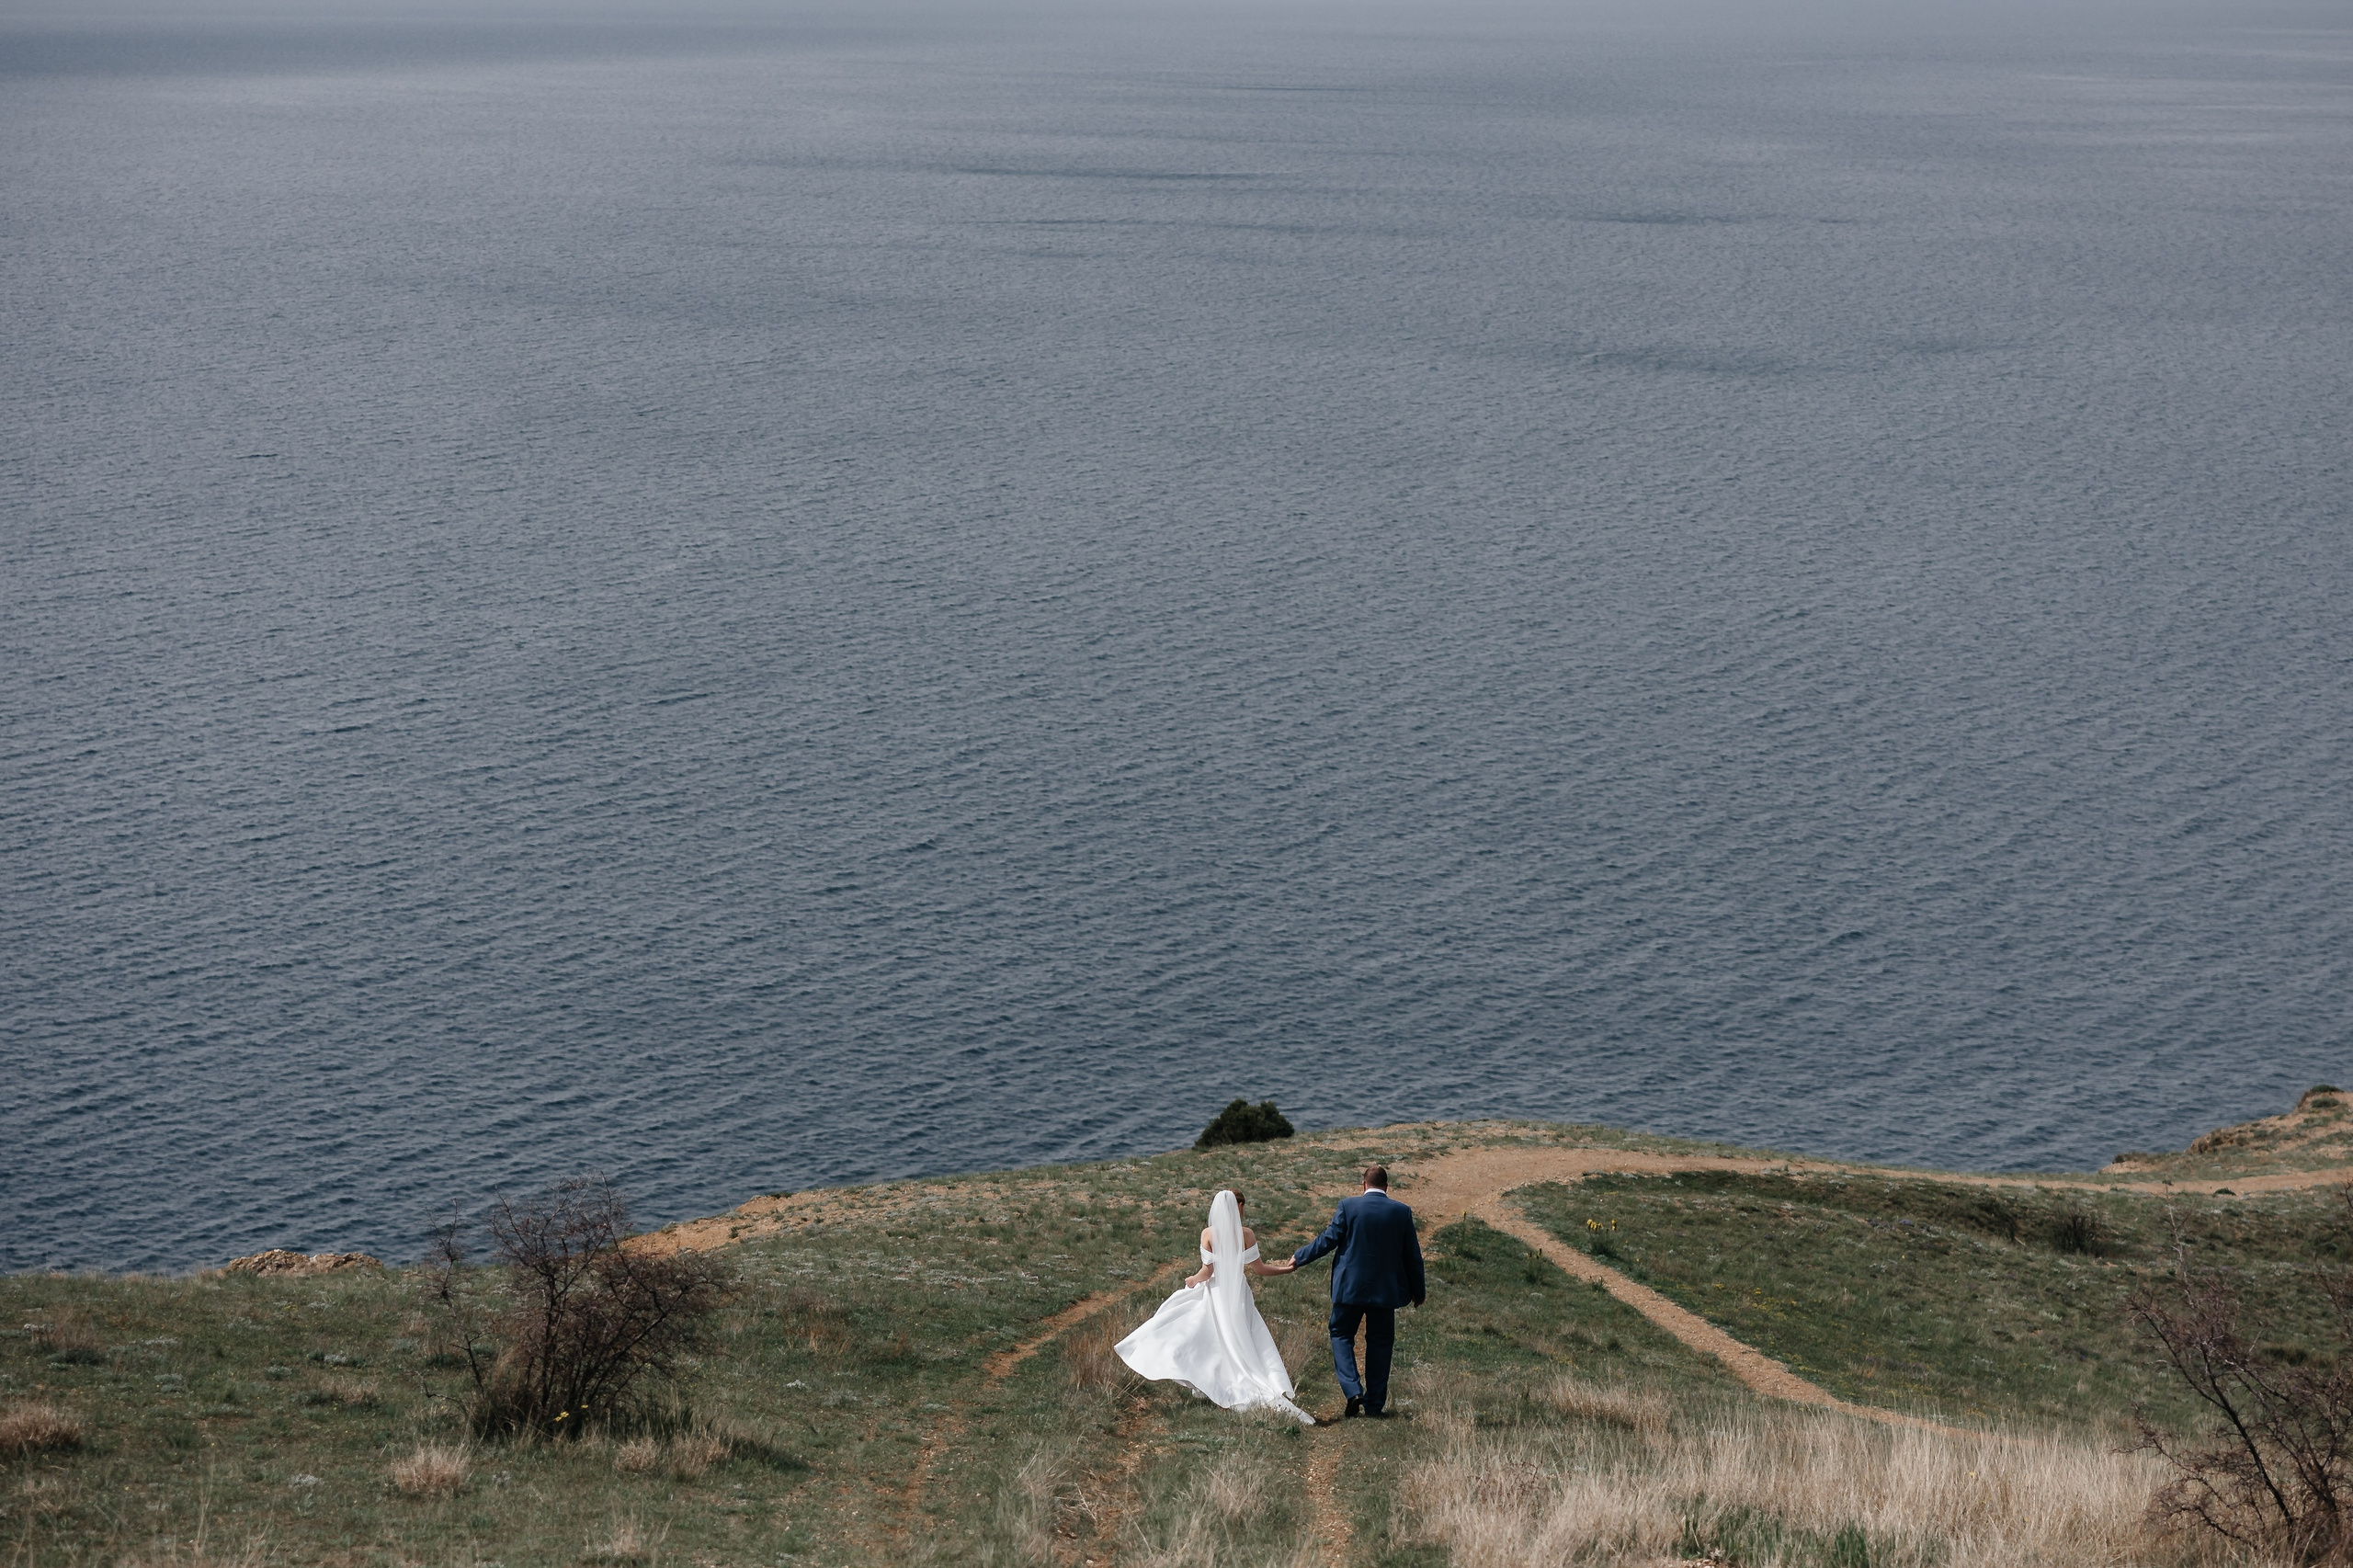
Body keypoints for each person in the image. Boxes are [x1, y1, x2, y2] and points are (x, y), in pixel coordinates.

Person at [1114, 1189, 1314, 1424]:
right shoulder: (1246, 1234)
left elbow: (1206, 1272)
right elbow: (1259, 1269)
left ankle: (1218, 1384)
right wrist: (1286, 1269)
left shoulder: (1208, 1234)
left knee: (1215, 1340)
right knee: (1242, 1339)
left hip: (1217, 1293)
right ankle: (1248, 1382)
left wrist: (1193, 1280)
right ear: (1238, 1207)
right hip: (1238, 1292)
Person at [1290, 1164, 1425, 1419]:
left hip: (1349, 1288)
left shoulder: (1348, 1206)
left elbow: (1327, 1240)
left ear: (1363, 1185)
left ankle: (1353, 1391)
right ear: (1387, 1187)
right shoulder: (1402, 1212)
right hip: (1385, 1292)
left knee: (1340, 1334)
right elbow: (1413, 1256)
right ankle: (1374, 1406)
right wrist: (1419, 1292)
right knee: (1381, 1344)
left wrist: (1300, 1258)